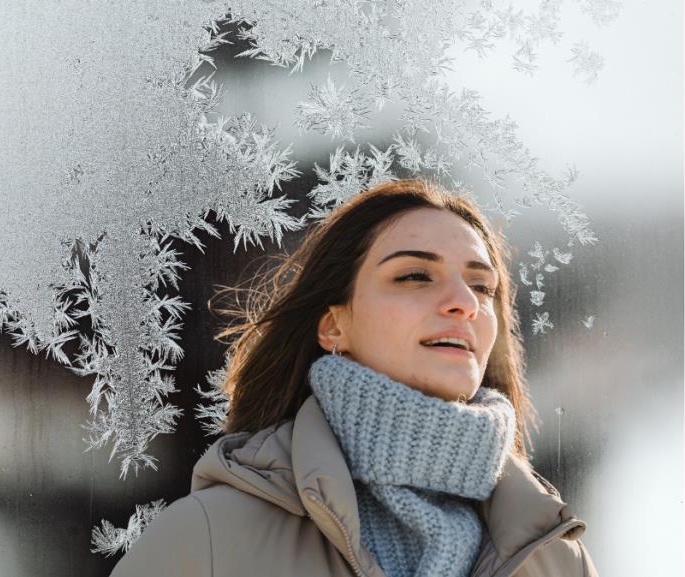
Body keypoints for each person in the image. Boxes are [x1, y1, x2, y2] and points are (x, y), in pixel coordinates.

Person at [109, 179, 598, 577]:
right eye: (414, 276)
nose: (465, 304)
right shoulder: (208, 540)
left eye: (481, 286)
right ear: (333, 324)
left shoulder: (555, 557)